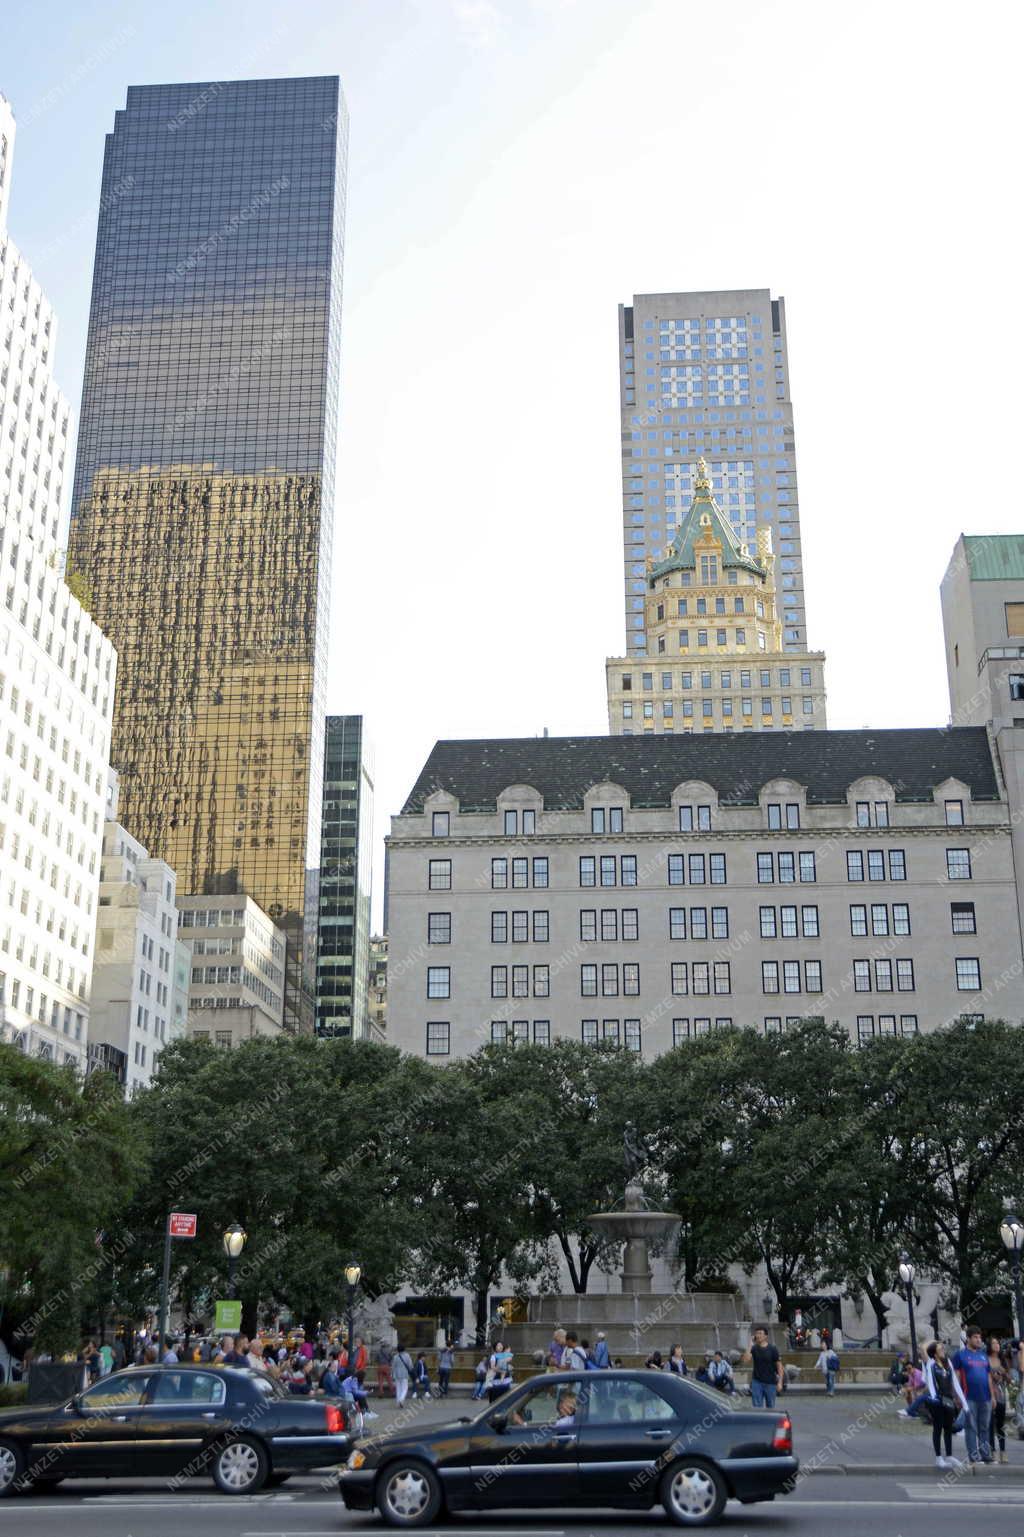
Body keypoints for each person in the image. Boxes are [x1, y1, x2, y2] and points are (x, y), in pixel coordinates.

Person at [953, 1325, 995, 1465]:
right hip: (968, 1397)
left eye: (980, 1337)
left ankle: (986, 1455)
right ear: (968, 1339)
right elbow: (956, 1377)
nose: (979, 1340)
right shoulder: (960, 1355)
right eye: (975, 1337)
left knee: (985, 1427)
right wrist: (957, 1396)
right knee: (971, 1428)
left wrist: (993, 1396)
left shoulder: (983, 1355)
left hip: (985, 1397)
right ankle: (974, 1456)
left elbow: (988, 1377)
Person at [924, 1339, 967, 1470]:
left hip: (948, 1399)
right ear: (935, 1353)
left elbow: (955, 1383)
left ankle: (949, 1455)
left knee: (948, 1427)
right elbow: (930, 1382)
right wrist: (934, 1397)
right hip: (937, 1400)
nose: (943, 1350)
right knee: (938, 1428)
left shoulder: (948, 1363)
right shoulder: (931, 1364)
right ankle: (938, 1457)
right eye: (940, 1349)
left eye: (943, 1348)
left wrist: (964, 1402)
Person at [743, 1327, 784, 1409]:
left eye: (760, 1333)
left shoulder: (772, 1349)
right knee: (757, 1408)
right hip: (757, 1383)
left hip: (770, 1383)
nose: (758, 1335)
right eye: (756, 1333)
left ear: (766, 1336)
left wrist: (780, 1382)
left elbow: (779, 1366)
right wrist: (750, 1345)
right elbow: (745, 1360)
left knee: (771, 1407)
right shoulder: (754, 1348)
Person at [988, 1338, 1010, 1465]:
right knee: (990, 1424)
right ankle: (992, 1451)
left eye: (997, 1343)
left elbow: (1009, 1379)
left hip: (1001, 1395)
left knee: (1001, 1425)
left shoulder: (1002, 1360)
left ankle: (1003, 1451)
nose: (996, 1345)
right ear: (989, 1346)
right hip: (990, 1395)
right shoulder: (986, 1359)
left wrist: (1004, 1374)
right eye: (994, 1343)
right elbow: (985, 1376)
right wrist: (993, 1375)